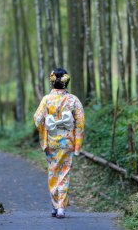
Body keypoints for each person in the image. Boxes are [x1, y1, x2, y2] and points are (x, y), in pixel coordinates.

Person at [33, 68, 85, 219]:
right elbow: (80, 123)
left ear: (52, 81)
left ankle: (55, 206)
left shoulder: (47, 99)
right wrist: (77, 144)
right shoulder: (73, 100)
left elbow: (37, 119)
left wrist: (48, 123)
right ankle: (61, 207)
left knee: (53, 171)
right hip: (67, 141)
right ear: (66, 81)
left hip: (52, 141)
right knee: (65, 173)